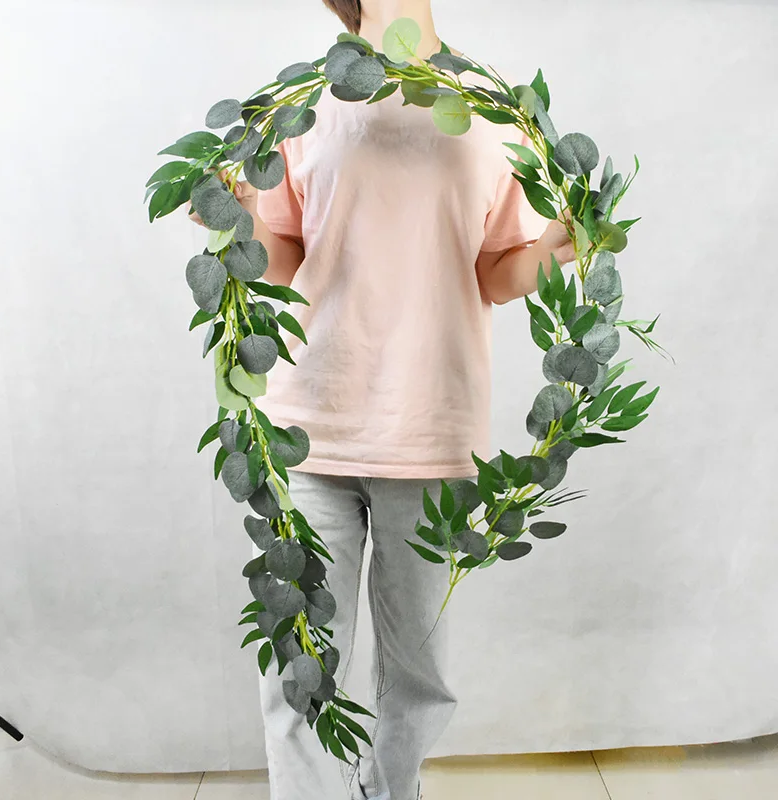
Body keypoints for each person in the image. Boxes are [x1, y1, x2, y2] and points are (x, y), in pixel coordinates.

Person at [190, 2, 575, 797]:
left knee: (421, 675)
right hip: (308, 426)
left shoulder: (493, 105)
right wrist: (238, 225)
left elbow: (495, 271)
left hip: (433, 426)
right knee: (301, 669)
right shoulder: (297, 104)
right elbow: (287, 258)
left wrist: (552, 247)